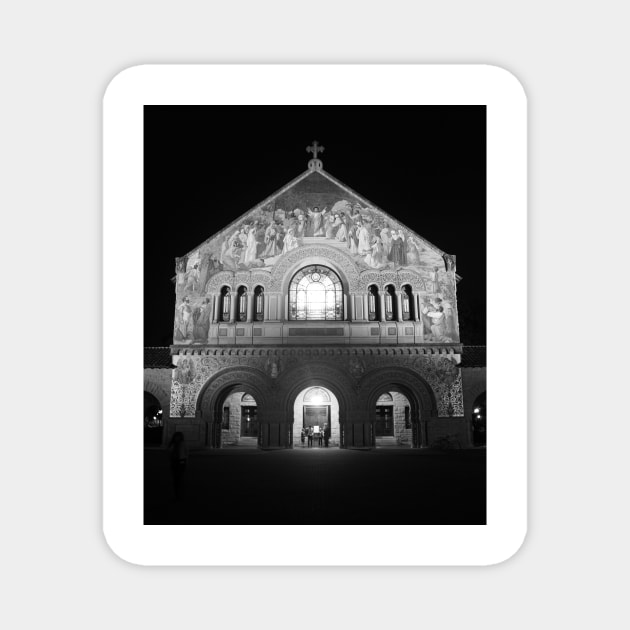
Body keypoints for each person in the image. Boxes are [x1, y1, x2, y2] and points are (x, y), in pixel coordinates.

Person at [169, 432, 188, 500]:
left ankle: (179, 493)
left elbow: (186, 453)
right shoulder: (173, 444)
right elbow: (169, 453)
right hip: (175, 462)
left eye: (178, 437)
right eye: (176, 437)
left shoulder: (183, 444)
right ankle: (176, 493)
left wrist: (185, 460)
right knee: (176, 478)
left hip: (181, 462)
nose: (177, 438)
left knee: (179, 477)